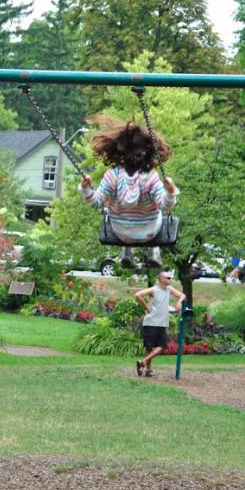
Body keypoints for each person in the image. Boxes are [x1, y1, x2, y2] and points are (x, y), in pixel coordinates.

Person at [79, 116, 179, 269]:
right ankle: (154, 251)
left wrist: (86, 188)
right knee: (158, 212)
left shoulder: (112, 176)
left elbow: (96, 203)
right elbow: (166, 206)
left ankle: (126, 251)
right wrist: (170, 191)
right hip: (150, 233)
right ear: (148, 152)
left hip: (120, 232)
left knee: (114, 212)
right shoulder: (150, 177)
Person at [134, 271, 185, 377]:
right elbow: (138, 295)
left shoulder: (169, 290)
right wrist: (146, 306)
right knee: (149, 348)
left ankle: (142, 362)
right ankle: (148, 370)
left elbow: (182, 295)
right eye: (168, 278)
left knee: (162, 346)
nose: (171, 280)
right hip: (151, 322)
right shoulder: (153, 290)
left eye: (171, 278)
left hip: (162, 323)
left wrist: (179, 302)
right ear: (161, 279)